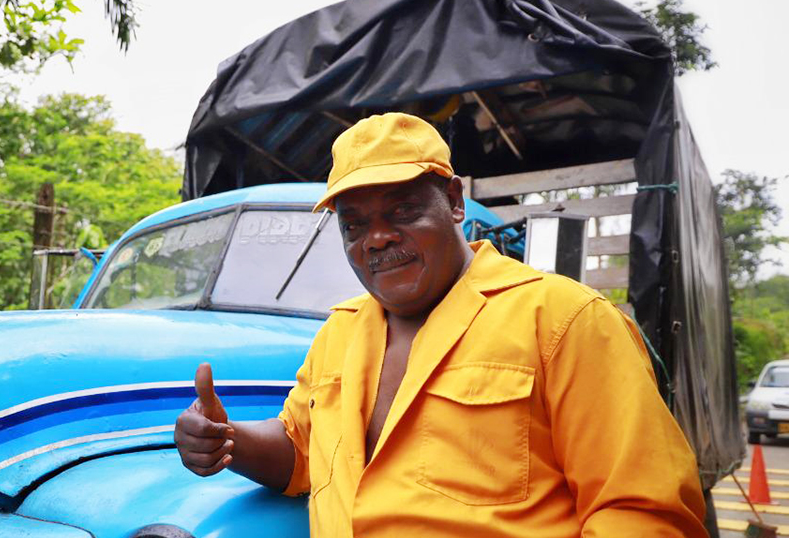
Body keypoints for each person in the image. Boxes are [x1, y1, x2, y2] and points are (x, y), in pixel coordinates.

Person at [173, 112, 707, 537]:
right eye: (354, 224)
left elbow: (643, 513)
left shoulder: (565, 320)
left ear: (453, 202)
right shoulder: (339, 332)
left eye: (401, 211)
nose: (375, 239)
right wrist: (228, 442)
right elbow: (304, 451)